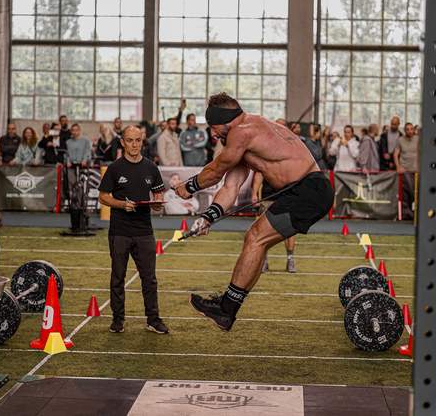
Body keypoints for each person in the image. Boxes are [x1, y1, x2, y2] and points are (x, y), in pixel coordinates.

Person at [175, 92, 334, 331]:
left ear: (225, 121)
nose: (214, 135)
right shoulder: (246, 137)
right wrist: (208, 217)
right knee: (257, 240)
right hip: (303, 191)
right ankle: (227, 308)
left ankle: (226, 310)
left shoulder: (242, 131)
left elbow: (215, 171)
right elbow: (231, 186)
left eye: (214, 128)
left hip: (309, 190)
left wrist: (188, 187)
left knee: (255, 238)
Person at [98, 126, 168, 335]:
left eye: (138, 140)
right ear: (123, 142)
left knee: (149, 279)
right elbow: (103, 196)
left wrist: (157, 203)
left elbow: (158, 194)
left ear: (142, 141)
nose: (134, 144)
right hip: (119, 231)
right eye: (130, 140)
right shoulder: (115, 168)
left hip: (144, 231)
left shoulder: (151, 167)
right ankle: (118, 320)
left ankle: (153, 320)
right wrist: (121, 204)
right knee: (117, 277)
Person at [252, 171, 297, 273]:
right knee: (263, 232)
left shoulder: (289, 162)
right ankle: (264, 260)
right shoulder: (266, 161)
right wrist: (254, 193)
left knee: (290, 230)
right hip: (267, 199)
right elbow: (259, 174)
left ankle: (290, 259)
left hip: (286, 199)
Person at [394, 122, 419, 220]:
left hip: (416, 170)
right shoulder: (400, 140)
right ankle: (407, 214)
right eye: (407, 129)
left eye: (411, 129)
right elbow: (395, 154)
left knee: (416, 192)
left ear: (413, 130)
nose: (409, 131)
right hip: (405, 170)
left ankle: (416, 213)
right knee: (408, 192)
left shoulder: (418, 139)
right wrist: (398, 167)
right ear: (404, 131)